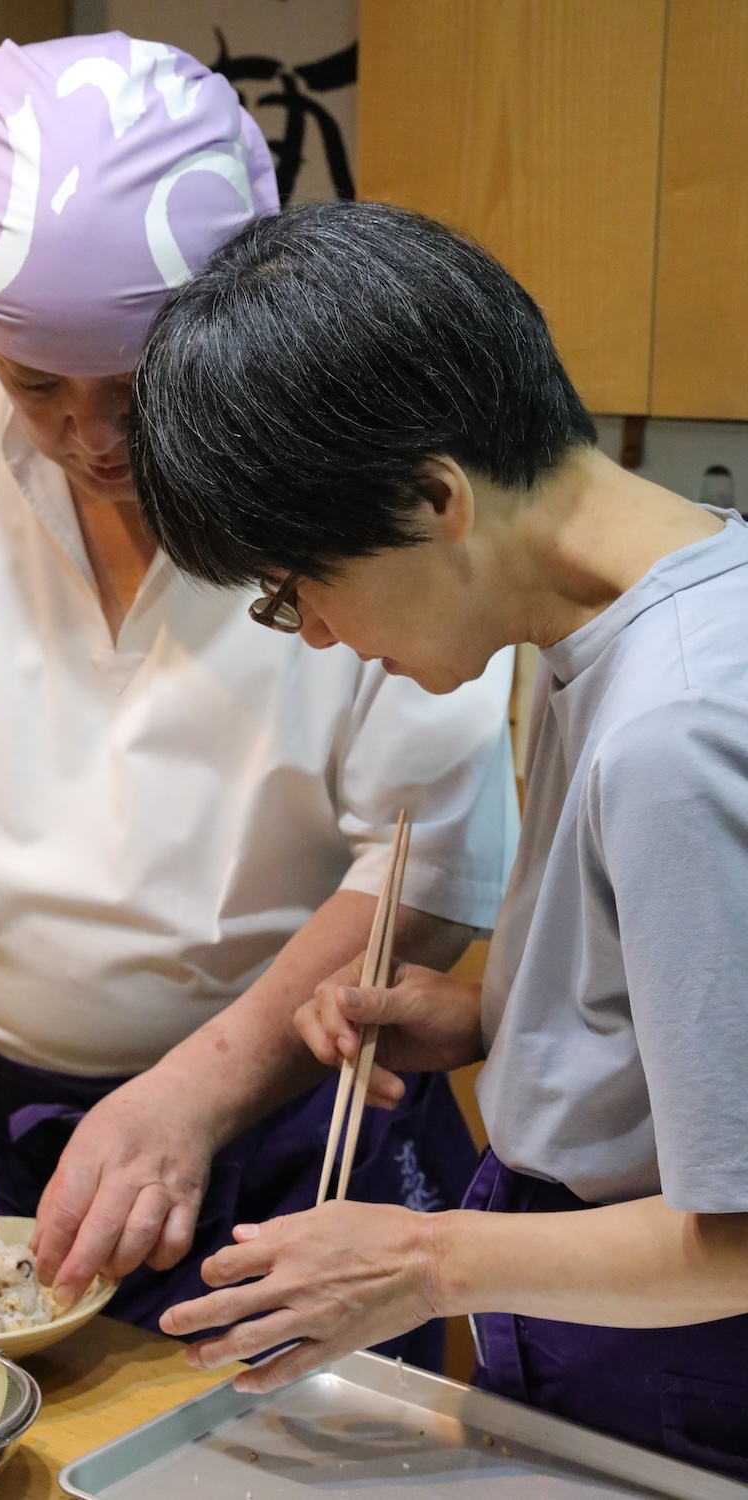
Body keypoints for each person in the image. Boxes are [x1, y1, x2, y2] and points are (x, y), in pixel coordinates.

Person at [0, 43, 518, 1371]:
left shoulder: (351, 479)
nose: (94, 437)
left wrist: (201, 1092)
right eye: (36, 384)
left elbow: (428, 854)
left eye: (139, 383)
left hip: (294, 1117)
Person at [128, 200, 748, 1477]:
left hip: (685, 1343)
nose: (312, 633)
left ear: (433, 497)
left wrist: (419, 1261)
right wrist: (495, 1017)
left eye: (296, 587)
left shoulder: (676, 729)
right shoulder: (643, 612)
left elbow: (738, 1234)